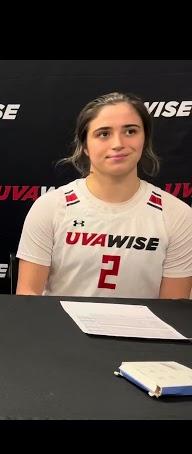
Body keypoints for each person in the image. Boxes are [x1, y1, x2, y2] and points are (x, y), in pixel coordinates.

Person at [16, 92, 192, 299]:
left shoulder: (178, 214)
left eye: (130, 131)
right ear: (84, 146)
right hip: (61, 329)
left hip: (141, 331)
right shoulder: (50, 207)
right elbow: (28, 295)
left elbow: (173, 309)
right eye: (103, 134)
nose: (118, 143)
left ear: (144, 138)